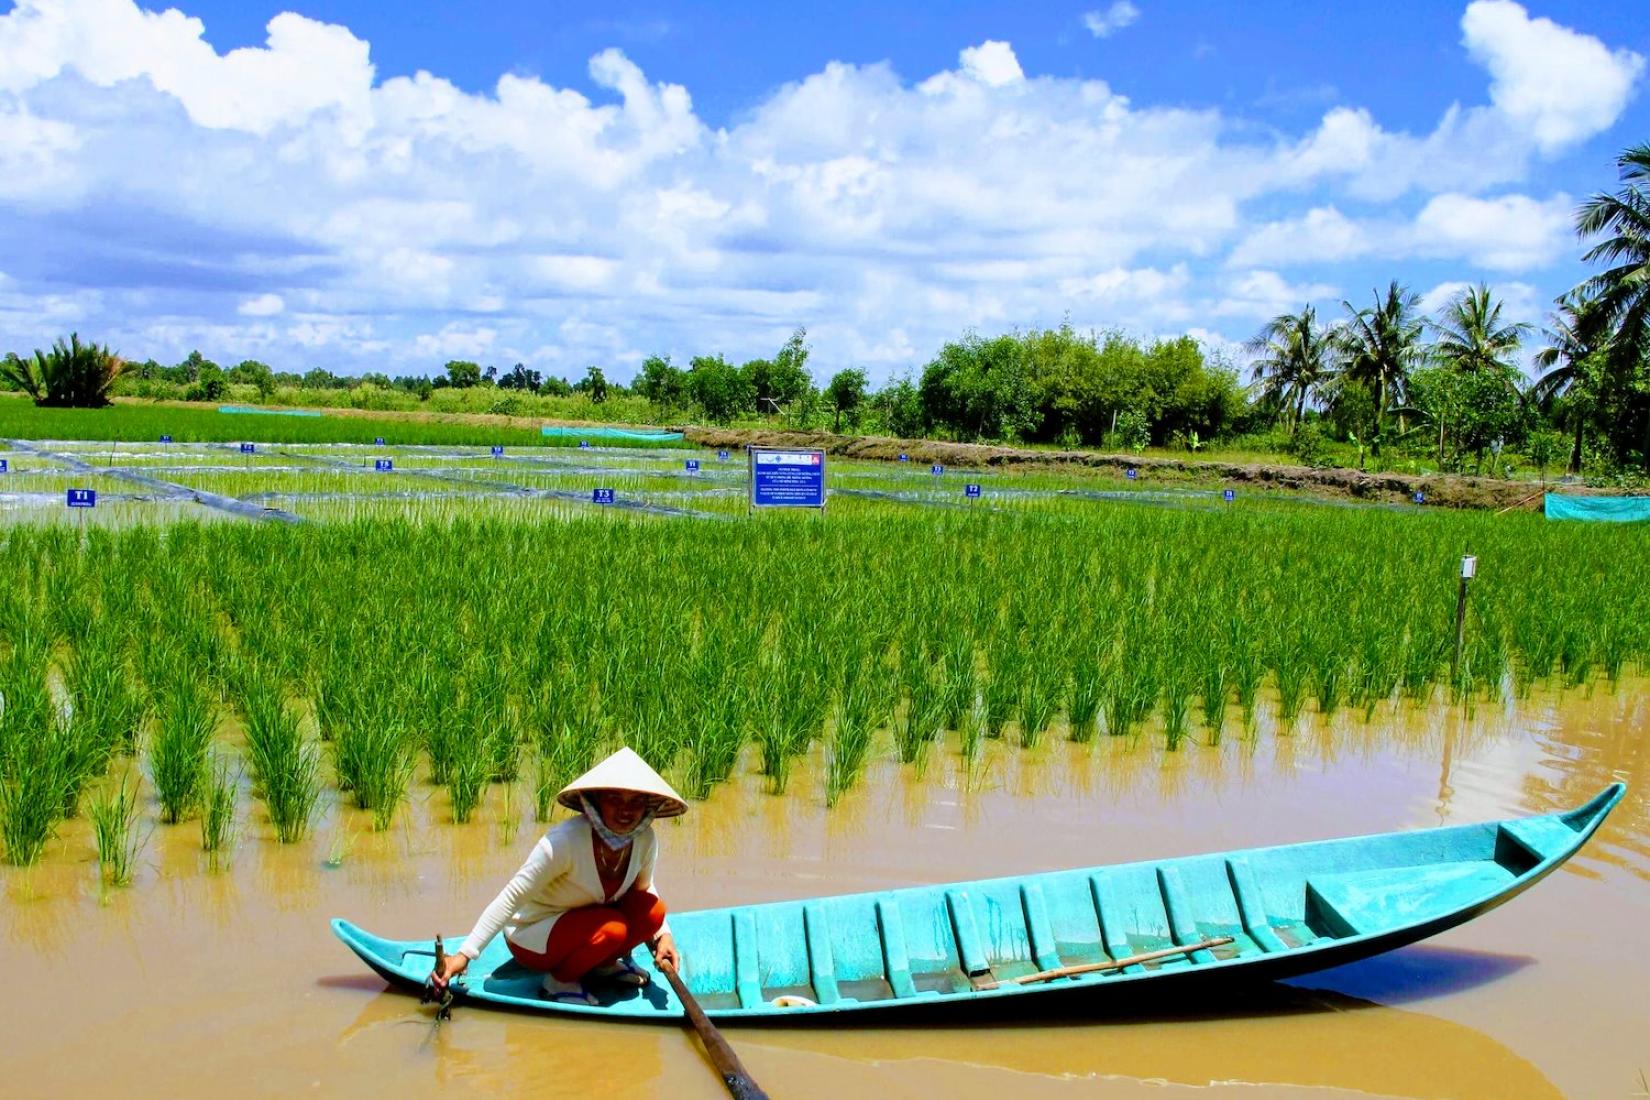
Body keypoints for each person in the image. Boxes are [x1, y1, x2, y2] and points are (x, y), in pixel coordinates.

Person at [429, 747, 687, 1004]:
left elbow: (644, 889)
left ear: (647, 807)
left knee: (653, 911)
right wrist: (464, 956)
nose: (625, 810)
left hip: (589, 921)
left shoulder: (644, 839)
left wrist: (664, 936)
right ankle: (559, 981)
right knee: (613, 929)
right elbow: (511, 897)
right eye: (614, 798)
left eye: (635, 801)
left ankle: (604, 965)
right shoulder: (563, 842)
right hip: (534, 931)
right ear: (595, 802)